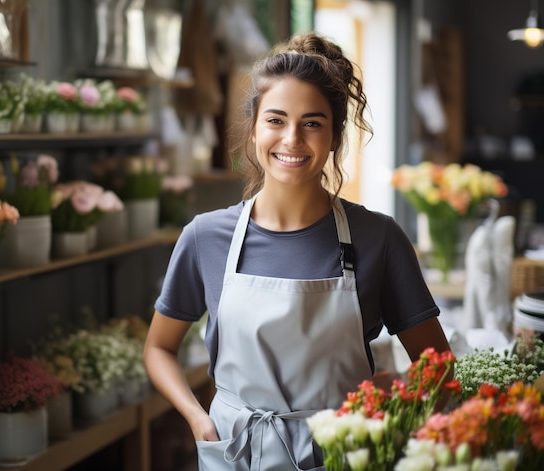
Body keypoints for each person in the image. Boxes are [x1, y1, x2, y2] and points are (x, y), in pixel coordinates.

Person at [143, 31, 452, 470]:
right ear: (253, 130)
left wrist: (393, 428)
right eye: (275, 120)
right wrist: (196, 417)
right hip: (235, 452)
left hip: (342, 455)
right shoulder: (205, 238)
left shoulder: (378, 239)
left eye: (312, 122)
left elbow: (438, 368)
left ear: (333, 137)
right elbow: (158, 349)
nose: (292, 138)